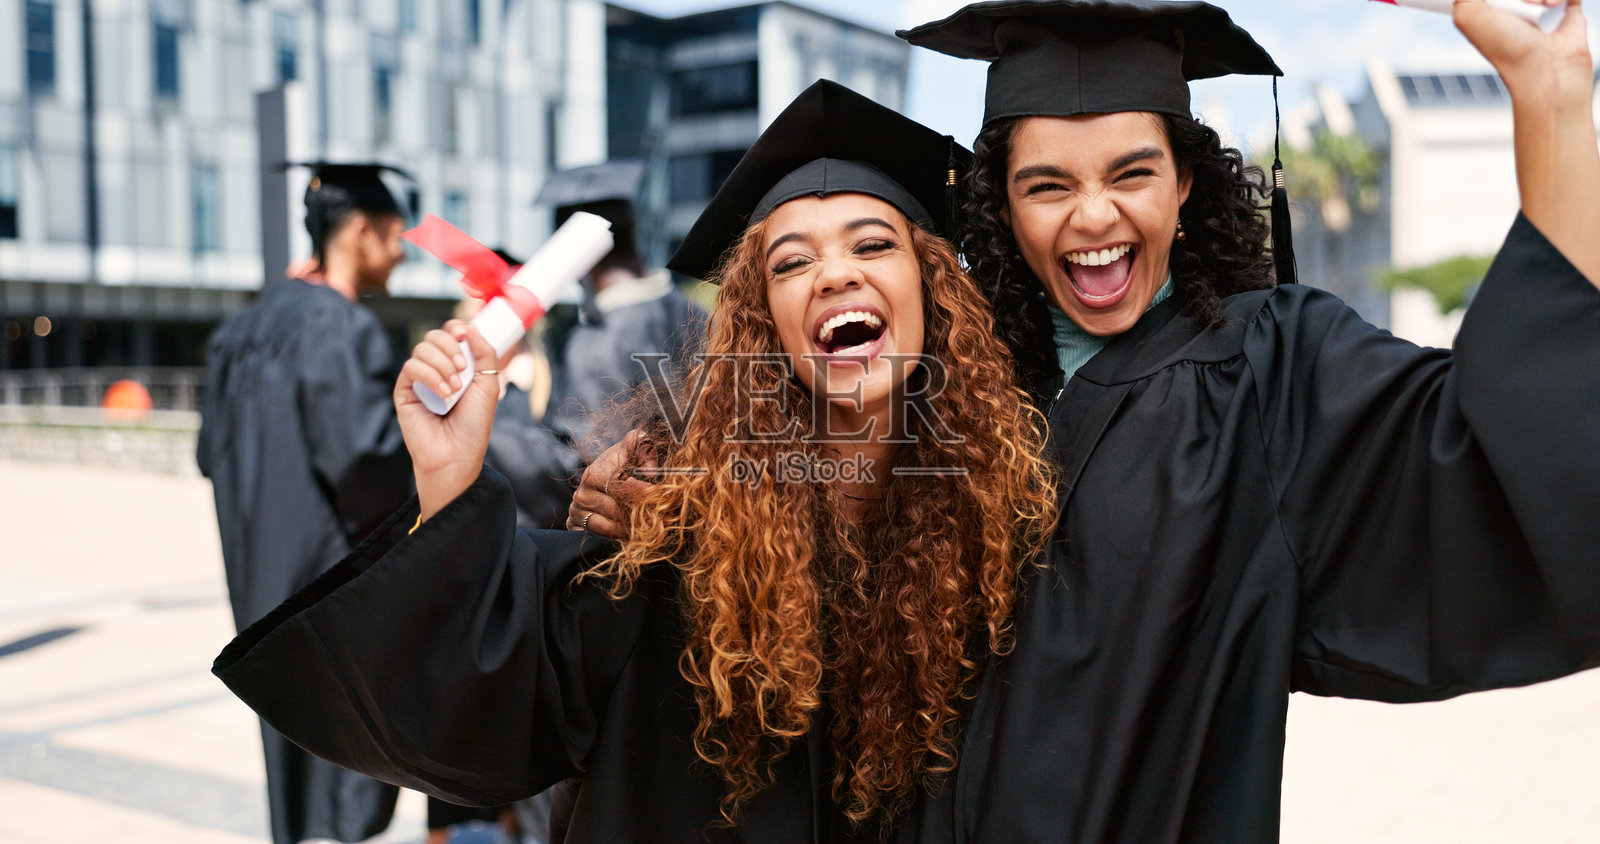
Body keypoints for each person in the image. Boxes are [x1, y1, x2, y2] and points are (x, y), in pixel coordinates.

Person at [568, 0, 1600, 839]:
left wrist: (1549, 106)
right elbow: (783, 548)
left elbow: (1501, 464)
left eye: (1132, 174)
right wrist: (642, 505)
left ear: (1187, 183)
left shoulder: (1271, 371)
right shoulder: (945, 386)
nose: (1093, 216)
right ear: (1001, 208)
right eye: (1046, 184)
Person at [212, 80, 1057, 841]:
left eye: (873, 245)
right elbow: (485, 703)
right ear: (761, 326)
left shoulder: (1008, 542)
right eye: (792, 261)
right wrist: (450, 482)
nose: (834, 273)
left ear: (935, 294)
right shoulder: (669, 548)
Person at [197, 162, 411, 844]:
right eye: (395, 234)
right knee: (347, 777)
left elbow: (209, 455)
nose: (402, 250)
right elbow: (367, 467)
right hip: (332, 598)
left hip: (259, 588)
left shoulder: (242, 330)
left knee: (290, 772)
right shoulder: (343, 330)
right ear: (359, 231)